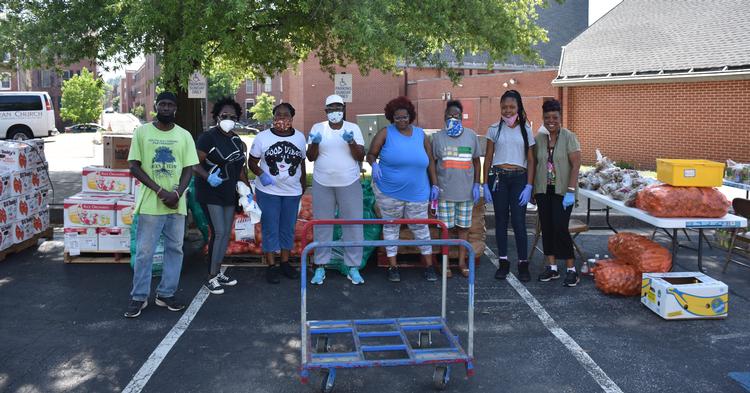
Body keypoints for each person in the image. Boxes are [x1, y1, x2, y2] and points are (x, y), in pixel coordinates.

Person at [125, 91, 199, 318]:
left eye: (170, 105)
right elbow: (134, 166)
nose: (166, 108)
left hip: (176, 205)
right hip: (150, 204)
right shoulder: (142, 132)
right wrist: (160, 191)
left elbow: (190, 167)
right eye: (162, 104)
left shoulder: (184, 135)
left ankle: (166, 293)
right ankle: (139, 297)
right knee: (145, 252)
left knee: (175, 249)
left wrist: (177, 193)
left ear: (175, 108)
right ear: (156, 106)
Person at [366, 96, 439, 283]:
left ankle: (429, 266)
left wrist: (435, 184)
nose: (402, 121)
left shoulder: (421, 134)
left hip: (418, 192)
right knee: (391, 227)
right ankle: (393, 266)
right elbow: (371, 153)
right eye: (397, 118)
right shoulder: (385, 133)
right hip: (389, 191)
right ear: (392, 118)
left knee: (421, 228)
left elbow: (430, 160)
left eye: (405, 117)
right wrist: (374, 164)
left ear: (410, 116)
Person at [306, 94, 366, 285]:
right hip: (322, 182)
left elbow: (360, 155)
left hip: (349, 181)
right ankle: (321, 266)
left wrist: (351, 141)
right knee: (323, 225)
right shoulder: (318, 128)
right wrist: (315, 142)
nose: (335, 112)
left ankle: (353, 267)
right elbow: (310, 157)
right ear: (326, 111)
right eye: (331, 108)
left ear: (343, 109)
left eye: (338, 108)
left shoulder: (353, 128)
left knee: (353, 225)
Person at [193, 96, 249, 295]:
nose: (228, 118)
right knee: (218, 232)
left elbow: (241, 168)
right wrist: (208, 177)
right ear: (216, 116)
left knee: (225, 233)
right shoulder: (208, 137)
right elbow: (194, 163)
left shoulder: (236, 140)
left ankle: (217, 271)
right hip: (210, 191)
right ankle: (210, 277)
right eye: (224, 115)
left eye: (232, 116)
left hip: (229, 192)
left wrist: (247, 191)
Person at [248, 103, 306, 284]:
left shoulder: (299, 137)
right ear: (273, 117)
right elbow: (252, 163)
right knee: (270, 227)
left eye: (285, 115)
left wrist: (303, 185)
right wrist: (261, 175)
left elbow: (302, 163)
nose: (281, 118)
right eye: (278, 115)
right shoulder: (262, 137)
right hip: (268, 191)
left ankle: (285, 263)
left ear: (291, 118)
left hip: (292, 192)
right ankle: (271, 266)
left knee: (287, 228)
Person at [482, 90, 536, 282]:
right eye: (504, 107)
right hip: (498, 178)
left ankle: (523, 264)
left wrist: (529, 185)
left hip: (519, 179)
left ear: (518, 107)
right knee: (501, 221)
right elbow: (488, 158)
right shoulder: (494, 129)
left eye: (512, 107)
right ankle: (503, 262)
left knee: (519, 223)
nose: (507, 110)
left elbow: (531, 159)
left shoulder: (526, 130)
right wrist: (484, 184)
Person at [533, 99, 582, 287]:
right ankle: (551, 267)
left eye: (554, 117)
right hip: (544, 191)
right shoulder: (539, 138)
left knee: (560, 227)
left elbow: (576, 164)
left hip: (563, 191)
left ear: (560, 117)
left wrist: (570, 191)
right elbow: (535, 163)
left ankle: (571, 269)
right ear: (543, 118)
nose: (550, 121)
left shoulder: (569, 136)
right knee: (547, 227)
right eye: (547, 117)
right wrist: (532, 189)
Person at [432, 100, 481, 277]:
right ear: (444, 117)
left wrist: (477, 183)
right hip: (445, 193)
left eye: (457, 115)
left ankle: (462, 263)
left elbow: (476, 160)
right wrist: (434, 184)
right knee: (444, 231)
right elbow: (432, 162)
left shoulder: (471, 136)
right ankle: (445, 265)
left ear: (462, 117)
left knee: (463, 230)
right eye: (450, 115)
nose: (453, 118)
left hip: (466, 193)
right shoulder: (437, 138)